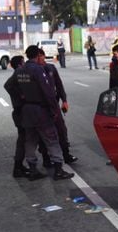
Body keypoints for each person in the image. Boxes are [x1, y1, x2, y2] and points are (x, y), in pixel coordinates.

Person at [14, 45, 74, 181]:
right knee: (52, 140)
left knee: (30, 141)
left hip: (27, 111)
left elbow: (12, 87)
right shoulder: (38, 70)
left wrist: (20, 99)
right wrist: (54, 110)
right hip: (40, 110)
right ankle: (58, 170)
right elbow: (48, 92)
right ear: (37, 55)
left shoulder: (20, 71)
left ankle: (33, 169)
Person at [38, 49, 79, 166]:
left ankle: (66, 154)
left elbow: (59, 85)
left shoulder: (51, 68)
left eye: (42, 56)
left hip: (54, 105)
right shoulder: (34, 70)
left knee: (61, 130)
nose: (40, 58)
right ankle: (46, 158)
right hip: (41, 107)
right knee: (43, 134)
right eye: (38, 56)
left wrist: (64, 100)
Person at [3, 55, 31, 178]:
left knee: (25, 140)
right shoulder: (18, 74)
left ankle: (20, 166)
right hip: (20, 112)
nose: (25, 63)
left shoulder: (20, 75)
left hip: (22, 112)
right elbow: (7, 85)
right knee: (23, 140)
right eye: (23, 62)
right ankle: (18, 167)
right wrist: (20, 96)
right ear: (20, 64)